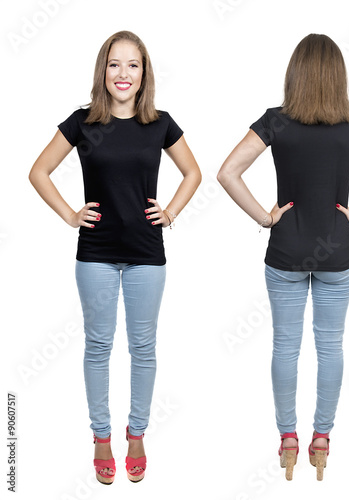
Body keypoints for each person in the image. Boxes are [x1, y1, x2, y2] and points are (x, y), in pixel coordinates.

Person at [217, 33, 349, 481]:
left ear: (295, 74)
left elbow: (227, 172)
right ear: (337, 76)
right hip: (338, 253)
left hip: (285, 250)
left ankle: (288, 439)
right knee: (330, 347)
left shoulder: (275, 121)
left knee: (285, 346)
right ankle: (321, 441)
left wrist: (265, 218)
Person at [29, 30, 201, 484]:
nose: (123, 73)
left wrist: (171, 211)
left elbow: (193, 172)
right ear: (102, 71)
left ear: (145, 74)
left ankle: (137, 433)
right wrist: (70, 213)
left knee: (143, 347)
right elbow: (39, 171)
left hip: (147, 252)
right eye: (115, 64)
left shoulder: (160, 123)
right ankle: (102, 437)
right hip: (97, 253)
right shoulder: (82, 122)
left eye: (133, 65)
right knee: (99, 346)